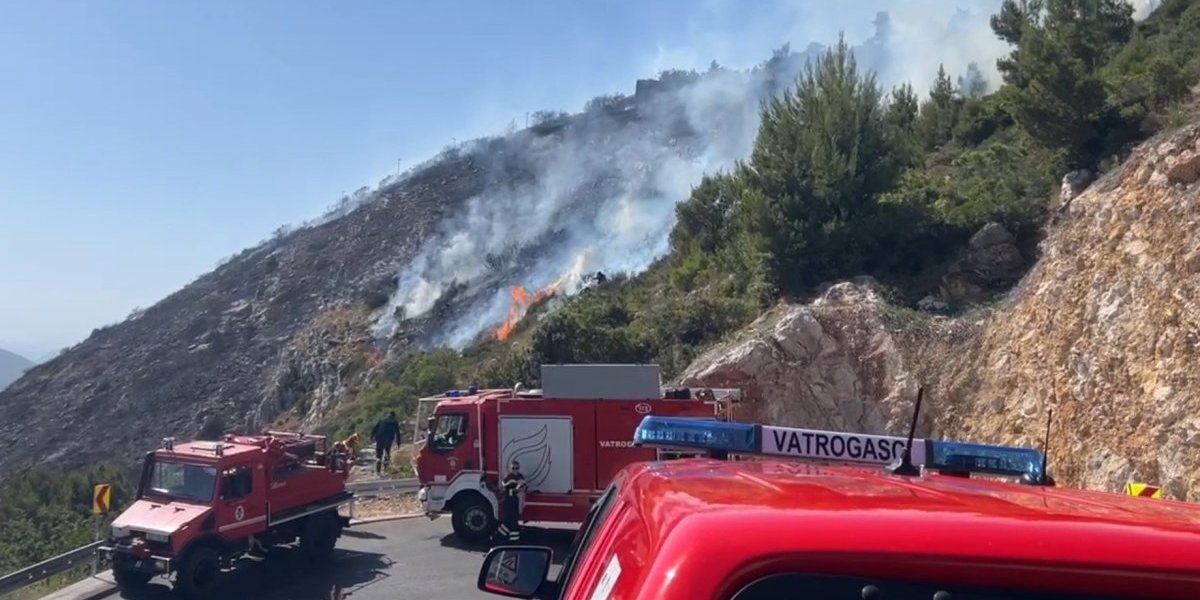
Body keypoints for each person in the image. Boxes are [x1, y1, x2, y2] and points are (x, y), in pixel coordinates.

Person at [496, 460, 527, 541]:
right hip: (509, 503)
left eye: (517, 468)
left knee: (513, 522)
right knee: (509, 521)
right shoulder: (508, 478)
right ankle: (502, 537)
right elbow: (502, 488)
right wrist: (514, 489)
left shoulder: (520, 477)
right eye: (513, 468)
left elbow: (524, 488)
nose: (515, 470)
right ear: (511, 469)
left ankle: (508, 538)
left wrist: (518, 489)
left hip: (516, 503)